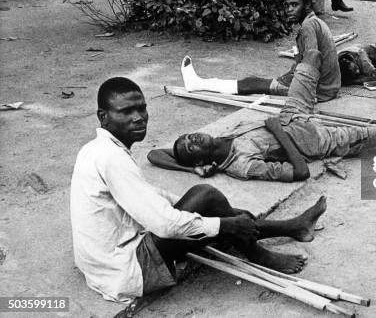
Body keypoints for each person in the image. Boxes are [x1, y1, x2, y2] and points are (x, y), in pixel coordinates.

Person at [71, 77, 328, 303]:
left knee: (212, 209)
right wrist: (225, 224)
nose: (138, 117)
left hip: (102, 262)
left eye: (141, 108)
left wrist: (217, 215)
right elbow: (165, 226)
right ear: (103, 117)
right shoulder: (111, 159)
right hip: (127, 268)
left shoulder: (98, 149)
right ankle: (259, 252)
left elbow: (148, 195)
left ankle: (293, 226)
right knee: (207, 196)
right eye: (126, 111)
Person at [149, 46, 376, 180]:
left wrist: (189, 167)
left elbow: (154, 154)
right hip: (311, 140)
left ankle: (331, 67)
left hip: (290, 116)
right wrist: (279, 131)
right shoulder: (240, 165)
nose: (191, 137)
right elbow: (299, 173)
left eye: (187, 136)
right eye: (191, 145)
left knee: (311, 59)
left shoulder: (213, 148)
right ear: (201, 159)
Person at [180, 0, 341, 102]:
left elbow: (312, 61)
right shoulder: (315, 22)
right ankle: (200, 83)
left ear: (306, 5)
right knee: (261, 80)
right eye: (287, 6)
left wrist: (304, 94)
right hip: (329, 87)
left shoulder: (308, 27)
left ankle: (197, 83)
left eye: (294, 5)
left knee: (252, 82)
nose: (289, 10)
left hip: (318, 91)